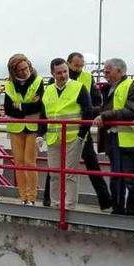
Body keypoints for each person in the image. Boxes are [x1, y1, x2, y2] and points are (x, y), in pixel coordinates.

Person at [94, 58, 134, 216]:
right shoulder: (110, 88)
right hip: (114, 138)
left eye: (107, 70)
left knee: (130, 179)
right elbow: (109, 108)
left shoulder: (133, 86)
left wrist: (104, 115)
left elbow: (133, 111)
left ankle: (132, 211)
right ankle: (118, 209)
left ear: (119, 71)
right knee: (116, 177)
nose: (105, 74)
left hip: (130, 139)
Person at [36, 58, 92, 210]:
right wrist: (40, 135)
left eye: (65, 71)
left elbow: (88, 112)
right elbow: (44, 115)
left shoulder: (79, 87)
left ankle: (69, 206)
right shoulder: (48, 91)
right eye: (59, 72)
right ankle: (55, 204)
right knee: (54, 173)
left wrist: (81, 136)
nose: (63, 75)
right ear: (52, 73)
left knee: (70, 174)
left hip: (73, 137)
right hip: (54, 138)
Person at [67, 52, 112, 210]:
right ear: (68, 64)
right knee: (58, 167)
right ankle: (48, 199)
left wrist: (87, 111)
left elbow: (96, 100)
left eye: (81, 65)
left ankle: (105, 202)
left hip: (82, 129)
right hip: (65, 130)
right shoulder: (59, 78)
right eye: (76, 65)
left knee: (92, 164)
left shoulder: (87, 77)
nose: (79, 68)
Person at [4, 54, 44, 205]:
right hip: (16, 128)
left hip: (33, 127)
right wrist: (27, 106)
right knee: (18, 163)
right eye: (20, 70)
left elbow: (39, 105)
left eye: (26, 68)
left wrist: (20, 106)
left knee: (30, 162)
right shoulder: (9, 85)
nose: (24, 71)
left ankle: (32, 197)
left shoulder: (38, 81)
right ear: (14, 71)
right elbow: (8, 109)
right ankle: (23, 197)